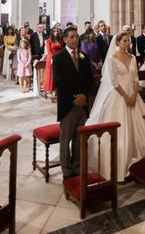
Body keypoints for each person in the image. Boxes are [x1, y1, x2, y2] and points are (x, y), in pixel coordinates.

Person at [86, 32, 145, 181]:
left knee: (140, 126)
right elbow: (114, 81)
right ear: (118, 42)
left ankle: (140, 158)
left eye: (129, 41)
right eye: (124, 41)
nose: (128, 43)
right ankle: (121, 163)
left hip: (134, 95)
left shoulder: (133, 57)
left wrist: (134, 95)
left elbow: (135, 78)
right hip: (119, 95)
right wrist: (126, 96)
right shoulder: (112, 58)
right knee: (120, 129)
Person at [52, 26, 93, 179]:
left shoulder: (84, 56)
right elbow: (59, 82)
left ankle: (77, 166)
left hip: (82, 104)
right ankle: (67, 170)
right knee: (66, 139)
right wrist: (73, 98)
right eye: (71, 37)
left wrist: (83, 96)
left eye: (76, 36)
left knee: (79, 138)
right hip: (68, 105)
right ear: (64, 39)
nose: (75, 39)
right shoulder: (58, 57)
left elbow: (89, 79)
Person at [44, 26, 64, 95]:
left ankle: (56, 88)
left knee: (58, 73)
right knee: (51, 73)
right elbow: (49, 50)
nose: (56, 32)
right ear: (52, 32)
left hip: (59, 58)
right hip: (51, 58)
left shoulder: (60, 40)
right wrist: (54, 57)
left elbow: (62, 49)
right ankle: (49, 88)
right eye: (54, 31)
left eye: (57, 31)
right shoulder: (48, 40)